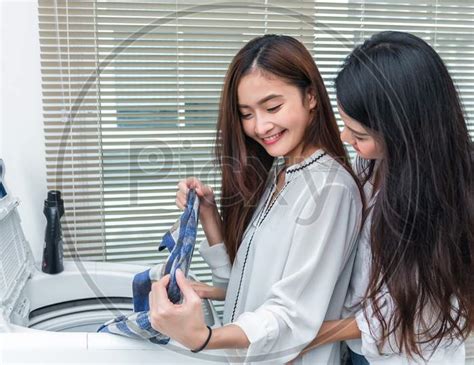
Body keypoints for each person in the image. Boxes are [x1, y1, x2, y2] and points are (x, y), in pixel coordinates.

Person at [148, 34, 364, 364]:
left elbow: (291, 318)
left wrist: (203, 338)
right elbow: (247, 282)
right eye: (246, 114)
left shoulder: (331, 190)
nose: (260, 126)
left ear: (310, 97)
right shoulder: (282, 172)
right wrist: (209, 216)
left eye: (273, 107)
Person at [296, 31, 474, 364]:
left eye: (359, 134)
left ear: (402, 131)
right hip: (358, 347)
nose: (345, 137)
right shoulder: (377, 163)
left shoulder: (438, 205)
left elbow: (395, 319)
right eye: (346, 124)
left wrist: (305, 336)